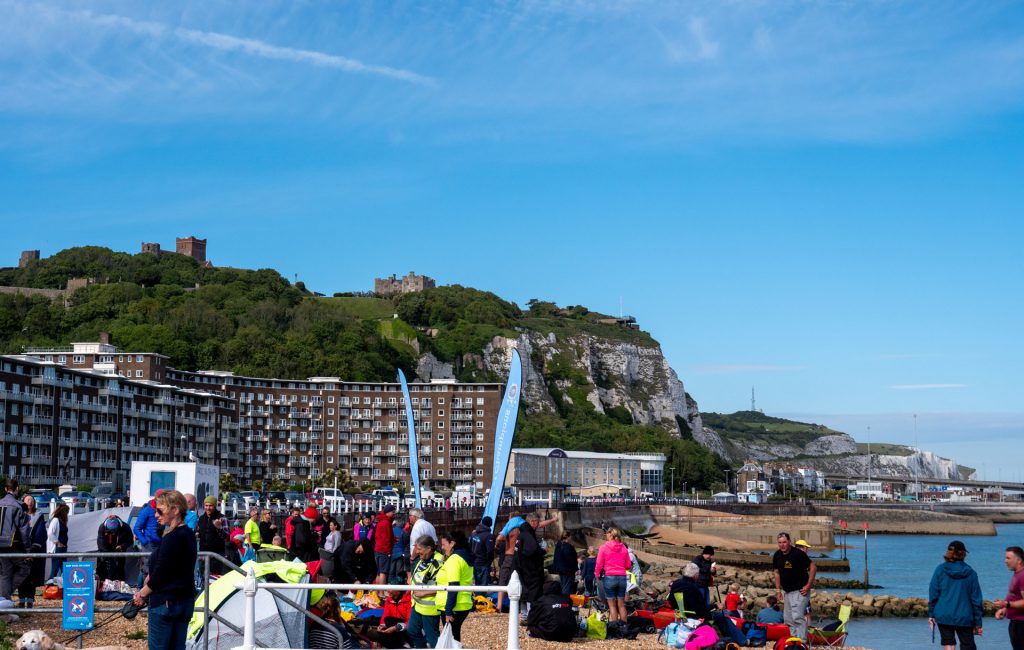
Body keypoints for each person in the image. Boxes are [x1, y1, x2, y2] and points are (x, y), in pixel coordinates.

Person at [133, 490, 198, 650]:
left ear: (175, 510)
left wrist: (142, 594)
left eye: (160, 510)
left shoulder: (173, 537)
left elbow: (163, 573)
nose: (156, 515)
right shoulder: (188, 534)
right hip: (184, 601)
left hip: (166, 603)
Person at [929, 540, 983, 650]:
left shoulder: (940, 570)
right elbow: (976, 600)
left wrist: (931, 614)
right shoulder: (971, 573)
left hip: (944, 614)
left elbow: (933, 594)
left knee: (949, 644)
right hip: (965, 616)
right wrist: (978, 623)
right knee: (968, 646)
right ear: (963, 554)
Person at [773, 532, 816, 641]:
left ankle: (802, 642)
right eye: (780, 543)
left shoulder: (797, 554)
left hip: (800, 590)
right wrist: (778, 590)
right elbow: (776, 572)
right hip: (787, 592)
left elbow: (813, 567)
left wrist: (808, 585)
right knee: (788, 619)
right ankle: (795, 641)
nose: (782, 545)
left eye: (784, 542)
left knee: (797, 617)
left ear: (789, 542)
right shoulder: (777, 555)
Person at [408, 535, 444, 649]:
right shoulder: (422, 559)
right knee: (412, 631)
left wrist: (424, 593)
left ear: (429, 548)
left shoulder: (439, 563)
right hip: (417, 604)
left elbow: (443, 587)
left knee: (432, 637)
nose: (417, 552)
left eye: (419, 549)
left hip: (430, 608)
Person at [437, 530, 474, 643]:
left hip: (453, 605)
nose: (442, 548)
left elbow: (453, 585)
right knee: (454, 637)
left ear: (452, 543)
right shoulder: (465, 557)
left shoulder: (454, 559)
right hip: (463, 603)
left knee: (452, 639)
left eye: (444, 544)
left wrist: (448, 610)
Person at [0, 479, 31, 601]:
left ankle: (3, 600)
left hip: (0, 545)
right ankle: (4, 596)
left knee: (5, 573)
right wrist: (28, 552)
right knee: (25, 568)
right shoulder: (18, 506)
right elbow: (24, 532)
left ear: (5, 489)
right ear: (17, 489)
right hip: (12, 545)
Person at [595, 527, 631, 624]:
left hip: (610, 577)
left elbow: (599, 563)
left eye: (606, 534)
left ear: (610, 535)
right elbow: (628, 565)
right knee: (621, 605)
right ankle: (624, 627)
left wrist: (597, 574)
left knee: (612, 605)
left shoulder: (604, 547)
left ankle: (615, 628)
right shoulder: (623, 547)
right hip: (622, 577)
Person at [18, 495, 47, 608]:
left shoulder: (38, 516)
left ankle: (30, 599)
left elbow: (41, 534)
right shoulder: (19, 514)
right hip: (21, 550)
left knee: (32, 577)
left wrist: (33, 548)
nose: (30, 502)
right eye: (27, 500)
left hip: (33, 550)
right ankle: (21, 599)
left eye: (31, 500)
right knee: (21, 575)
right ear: (23, 501)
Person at [994, 545, 1024, 650]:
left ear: (1019, 560)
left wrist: (1007, 604)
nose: (1005, 561)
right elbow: (1015, 596)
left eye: (1008, 558)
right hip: (1015, 622)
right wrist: (1004, 609)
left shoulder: (1023, 575)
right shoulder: (1017, 574)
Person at [134, 489, 164, 585]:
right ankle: (141, 591)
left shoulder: (165, 509)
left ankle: (150, 592)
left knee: (158, 568)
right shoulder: (147, 510)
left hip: (161, 543)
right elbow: (137, 528)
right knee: (147, 568)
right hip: (149, 544)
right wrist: (144, 542)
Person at [97, 514, 134, 582]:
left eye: (114, 531)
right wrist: (108, 556)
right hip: (106, 550)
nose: (113, 533)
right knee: (107, 567)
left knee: (120, 568)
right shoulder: (102, 528)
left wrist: (122, 546)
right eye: (110, 531)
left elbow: (130, 540)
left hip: (120, 551)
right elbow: (101, 544)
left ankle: (119, 584)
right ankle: (104, 583)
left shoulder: (125, 527)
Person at [196, 496, 228, 574]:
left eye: (210, 505)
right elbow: (200, 535)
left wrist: (219, 528)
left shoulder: (222, 518)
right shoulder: (201, 518)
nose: (208, 508)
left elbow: (227, 537)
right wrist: (196, 535)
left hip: (216, 555)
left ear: (215, 506)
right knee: (203, 579)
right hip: (203, 554)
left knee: (214, 580)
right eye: (206, 505)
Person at [469, 516, 495, 587]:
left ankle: (477, 597)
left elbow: (470, 546)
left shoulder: (474, 533)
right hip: (483, 563)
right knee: (483, 586)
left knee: (476, 584)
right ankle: (481, 597)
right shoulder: (488, 536)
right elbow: (490, 551)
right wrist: (489, 562)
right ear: (490, 524)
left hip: (474, 563)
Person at [374, 505, 397, 584]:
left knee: (379, 572)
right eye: (393, 512)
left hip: (378, 549)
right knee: (383, 572)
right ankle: (381, 593)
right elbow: (386, 538)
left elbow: (380, 536)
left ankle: (377, 592)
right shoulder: (386, 522)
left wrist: (393, 539)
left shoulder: (381, 521)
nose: (394, 513)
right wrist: (388, 552)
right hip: (384, 550)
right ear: (388, 512)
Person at [46, 503, 69, 580]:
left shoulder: (62, 521)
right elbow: (50, 533)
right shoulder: (55, 520)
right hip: (57, 549)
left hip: (63, 548)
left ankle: (65, 586)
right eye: (66, 512)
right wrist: (58, 543)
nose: (67, 515)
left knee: (64, 569)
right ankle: (48, 586)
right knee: (55, 570)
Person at [553, 531, 578, 596]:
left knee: (563, 585)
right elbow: (571, 559)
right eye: (570, 537)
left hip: (560, 569)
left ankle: (564, 600)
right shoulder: (567, 547)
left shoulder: (558, 545)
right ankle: (565, 601)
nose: (571, 538)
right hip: (567, 570)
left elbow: (555, 557)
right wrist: (576, 569)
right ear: (567, 537)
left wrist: (555, 567)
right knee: (567, 587)